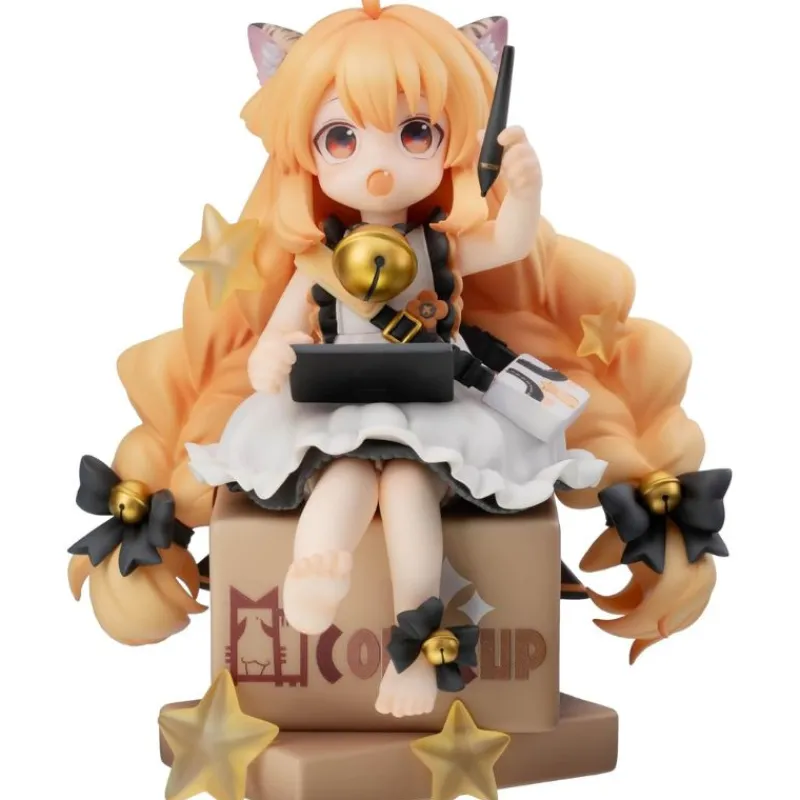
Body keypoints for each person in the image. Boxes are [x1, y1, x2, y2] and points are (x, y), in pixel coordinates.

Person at [68, 1, 722, 719]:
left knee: (410, 484)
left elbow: (507, 243)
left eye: (414, 133)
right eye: (341, 138)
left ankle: (416, 646)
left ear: (452, 142)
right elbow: (276, 337)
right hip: (335, 402)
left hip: (432, 401)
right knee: (343, 475)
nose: (379, 169)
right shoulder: (317, 262)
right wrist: (271, 360)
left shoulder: (439, 248)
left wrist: (526, 192)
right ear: (304, 153)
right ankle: (315, 574)